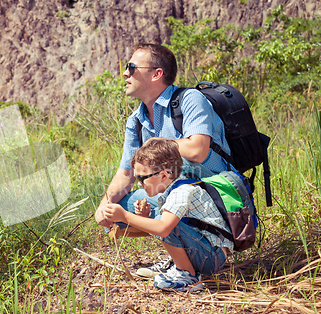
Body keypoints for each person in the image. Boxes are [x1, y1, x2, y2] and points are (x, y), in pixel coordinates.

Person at [95, 43, 231, 276]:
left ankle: (196, 258)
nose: (125, 73)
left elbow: (198, 149)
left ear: (157, 74)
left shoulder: (190, 99)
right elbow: (126, 174)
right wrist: (104, 206)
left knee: (168, 200)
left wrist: (156, 143)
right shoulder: (135, 120)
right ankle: (178, 256)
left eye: (131, 67)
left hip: (209, 193)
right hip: (172, 191)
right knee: (119, 207)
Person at [103, 138, 232, 291]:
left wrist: (125, 216)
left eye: (142, 178)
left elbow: (164, 229)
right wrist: (143, 218)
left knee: (162, 222)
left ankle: (187, 275)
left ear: (163, 176)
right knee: (159, 220)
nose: (139, 184)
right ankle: (182, 268)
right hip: (206, 252)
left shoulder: (181, 192)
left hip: (212, 258)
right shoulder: (173, 190)